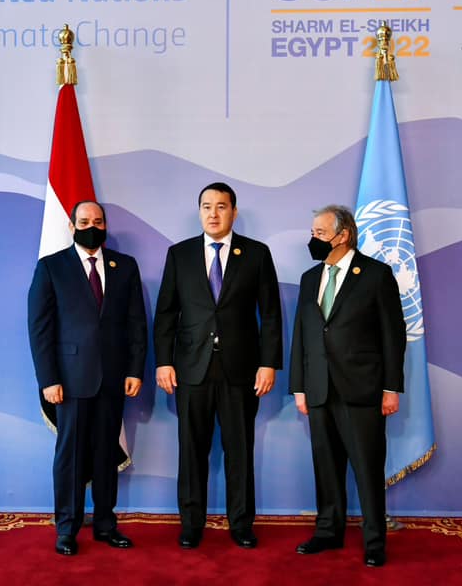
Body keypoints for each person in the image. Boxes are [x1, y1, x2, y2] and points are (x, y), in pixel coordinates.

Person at [154, 182, 282, 549]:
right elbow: (166, 314)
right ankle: (191, 524)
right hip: (190, 369)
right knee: (191, 451)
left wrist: (268, 364)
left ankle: (240, 523)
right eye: (206, 206)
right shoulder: (179, 255)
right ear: (199, 212)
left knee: (239, 451)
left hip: (240, 370)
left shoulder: (256, 254)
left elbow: (270, 315)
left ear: (233, 212)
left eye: (221, 206)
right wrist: (163, 362)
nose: (213, 213)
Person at [28, 201, 147, 556]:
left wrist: (134, 369)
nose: (91, 227)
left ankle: (106, 524)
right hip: (70, 380)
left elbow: (136, 323)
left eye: (97, 221)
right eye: (84, 222)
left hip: (113, 378)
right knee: (71, 457)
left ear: (105, 225)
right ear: (71, 226)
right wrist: (48, 379)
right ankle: (67, 528)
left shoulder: (125, 266)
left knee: (106, 452)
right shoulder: (51, 267)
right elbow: (40, 328)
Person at [289, 204, 405, 567]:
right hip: (319, 388)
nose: (314, 239)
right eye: (312, 233)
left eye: (320, 233)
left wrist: (391, 387)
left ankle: (374, 541)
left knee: (367, 470)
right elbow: (302, 334)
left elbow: (393, 334)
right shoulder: (310, 278)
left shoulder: (376, 274)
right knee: (326, 466)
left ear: (343, 235)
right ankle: (328, 531)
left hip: (362, 389)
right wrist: (299, 386)